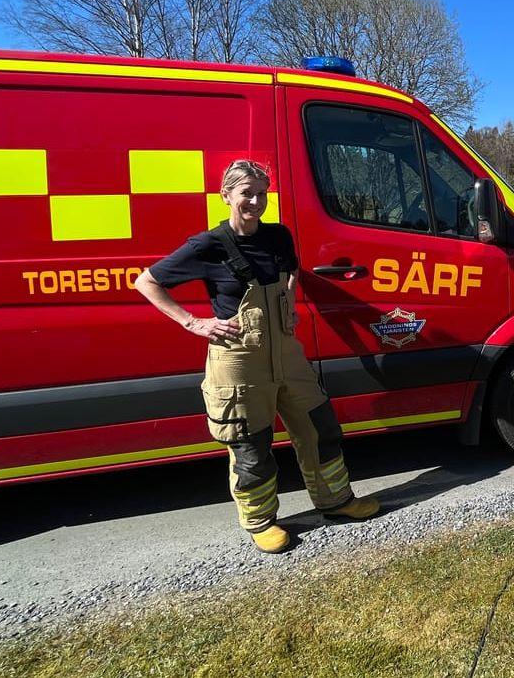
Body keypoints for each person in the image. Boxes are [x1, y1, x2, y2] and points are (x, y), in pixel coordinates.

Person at [135, 160, 379, 553]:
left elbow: (293, 271)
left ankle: (336, 501)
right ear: (226, 195)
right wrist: (193, 323)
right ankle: (261, 521)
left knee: (321, 428)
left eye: (261, 193)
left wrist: (289, 304)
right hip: (238, 361)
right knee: (251, 446)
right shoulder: (208, 245)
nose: (255, 201)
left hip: (286, 352)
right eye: (246, 192)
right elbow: (146, 282)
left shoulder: (278, 236)